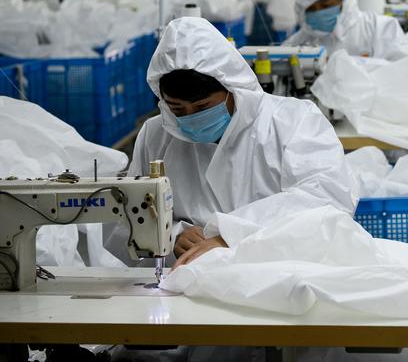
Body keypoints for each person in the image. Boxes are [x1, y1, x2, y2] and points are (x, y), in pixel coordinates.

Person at [105, 17, 355, 267]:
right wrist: (173, 236)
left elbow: (326, 200)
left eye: (203, 107)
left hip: (282, 268)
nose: (191, 117)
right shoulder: (156, 134)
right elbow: (129, 215)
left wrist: (232, 235)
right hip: (193, 276)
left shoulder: (293, 121)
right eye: (178, 109)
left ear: (232, 88)